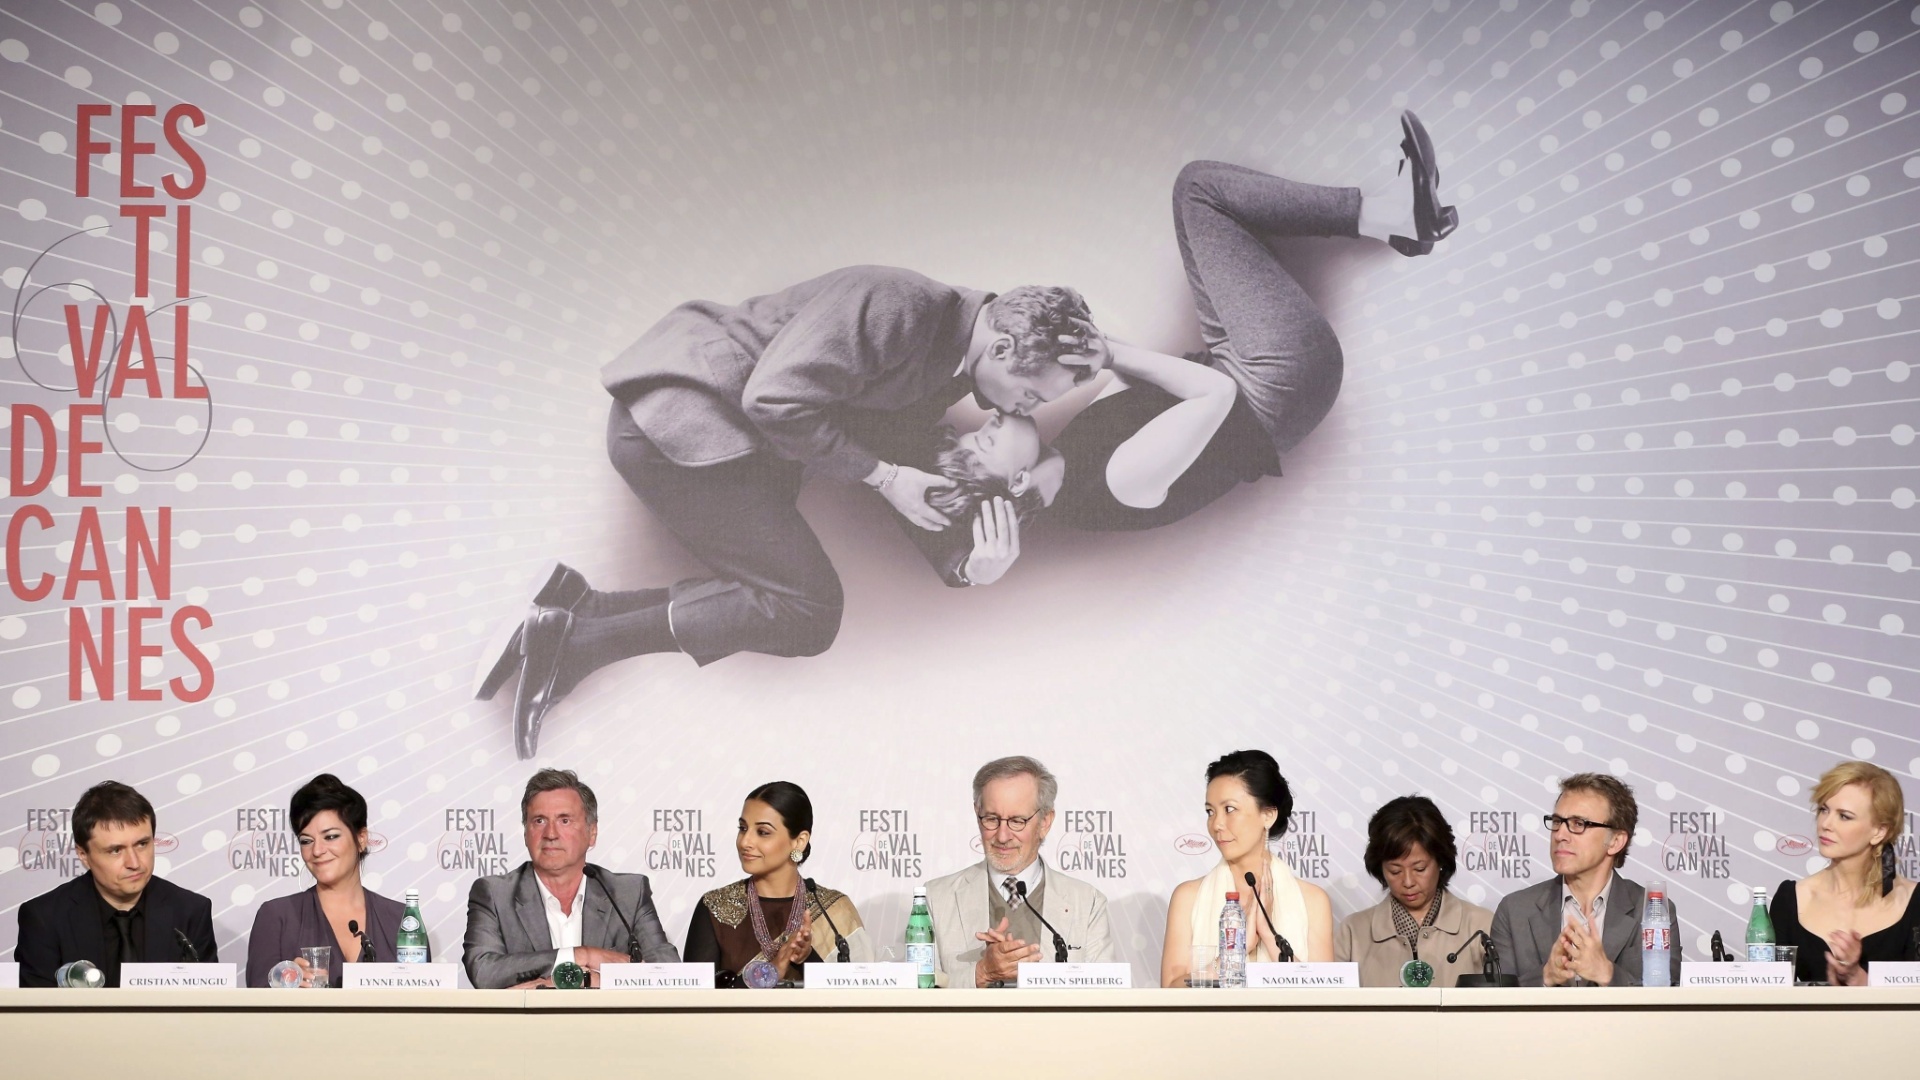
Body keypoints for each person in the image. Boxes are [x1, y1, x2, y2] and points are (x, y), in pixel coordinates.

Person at [473, 272, 1106, 758]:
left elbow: (908, 467)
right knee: (808, 610)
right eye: (1032, 393)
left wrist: (970, 567)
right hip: (679, 425)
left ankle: (578, 611)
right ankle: (574, 640)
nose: (1025, 409)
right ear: (1003, 347)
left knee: (795, 603)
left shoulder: (951, 362)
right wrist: (885, 477)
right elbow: (774, 399)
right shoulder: (901, 306)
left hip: (732, 446)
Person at [908, 111, 1456, 560]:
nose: (990, 420)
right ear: (1017, 484)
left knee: (1193, 195)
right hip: (1278, 385)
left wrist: (1088, 348)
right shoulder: (1112, 486)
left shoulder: (1067, 457)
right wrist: (1110, 354)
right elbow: (1216, 395)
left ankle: (1392, 219)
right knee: (1199, 190)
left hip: (1230, 361)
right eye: (985, 441)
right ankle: (1394, 213)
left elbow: (1137, 379)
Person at [462, 768, 677, 988]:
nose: (551, 834)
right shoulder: (495, 894)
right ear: (526, 833)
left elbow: (668, 972)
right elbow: (484, 971)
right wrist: (582, 955)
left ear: (592, 833)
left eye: (564, 821)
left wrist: (585, 980)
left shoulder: (627, 893)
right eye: (539, 821)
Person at [923, 756, 1114, 987]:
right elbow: (917, 993)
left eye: (1017, 821)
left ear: (1045, 822)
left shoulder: (1087, 902)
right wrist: (981, 973)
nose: (1002, 836)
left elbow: (1104, 996)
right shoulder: (934, 899)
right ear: (977, 814)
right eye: (991, 819)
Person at [15, 781, 217, 987]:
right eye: (115, 850)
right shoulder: (45, 919)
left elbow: (207, 1002)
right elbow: (37, 1005)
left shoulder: (190, 911)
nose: (134, 863)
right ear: (83, 854)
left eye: (142, 844)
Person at [1489, 772, 1683, 986]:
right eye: (1557, 822)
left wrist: (1607, 974)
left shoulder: (1649, 911)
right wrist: (1546, 977)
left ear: (1615, 841)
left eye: (1578, 823)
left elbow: (1665, 996)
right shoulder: (1515, 911)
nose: (1560, 835)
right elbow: (1496, 998)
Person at [1161, 750, 1334, 986]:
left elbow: (1326, 995)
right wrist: (1236, 952)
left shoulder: (1312, 900)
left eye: (1229, 809)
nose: (1216, 824)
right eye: (1210, 811)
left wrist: (1270, 937)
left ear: (1268, 815)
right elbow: (1170, 991)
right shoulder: (1188, 897)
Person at [684, 781, 871, 986]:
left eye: (763, 832)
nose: (745, 841)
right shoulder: (715, 907)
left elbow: (858, 995)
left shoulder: (834, 911)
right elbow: (694, 999)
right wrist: (768, 971)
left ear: (799, 841)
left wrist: (806, 957)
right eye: (743, 828)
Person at [246, 774, 423, 987]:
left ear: (361, 839)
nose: (317, 850)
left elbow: (424, 999)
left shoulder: (400, 920)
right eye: (306, 841)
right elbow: (253, 1002)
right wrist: (282, 985)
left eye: (330, 836)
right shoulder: (276, 918)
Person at [1769, 761, 1918, 985]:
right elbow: (1767, 994)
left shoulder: (1914, 903)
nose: (1826, 824)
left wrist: (1858, 979)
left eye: (1844, 816)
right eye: (1824, 810)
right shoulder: (1791, 898)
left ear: (1879, 831)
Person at [1334, 795, 1494, 987]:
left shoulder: (1482, 926)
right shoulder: (1353, 932)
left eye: (1420, 869)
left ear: (1441, 861)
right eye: (1395, 871)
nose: (1408, 882)